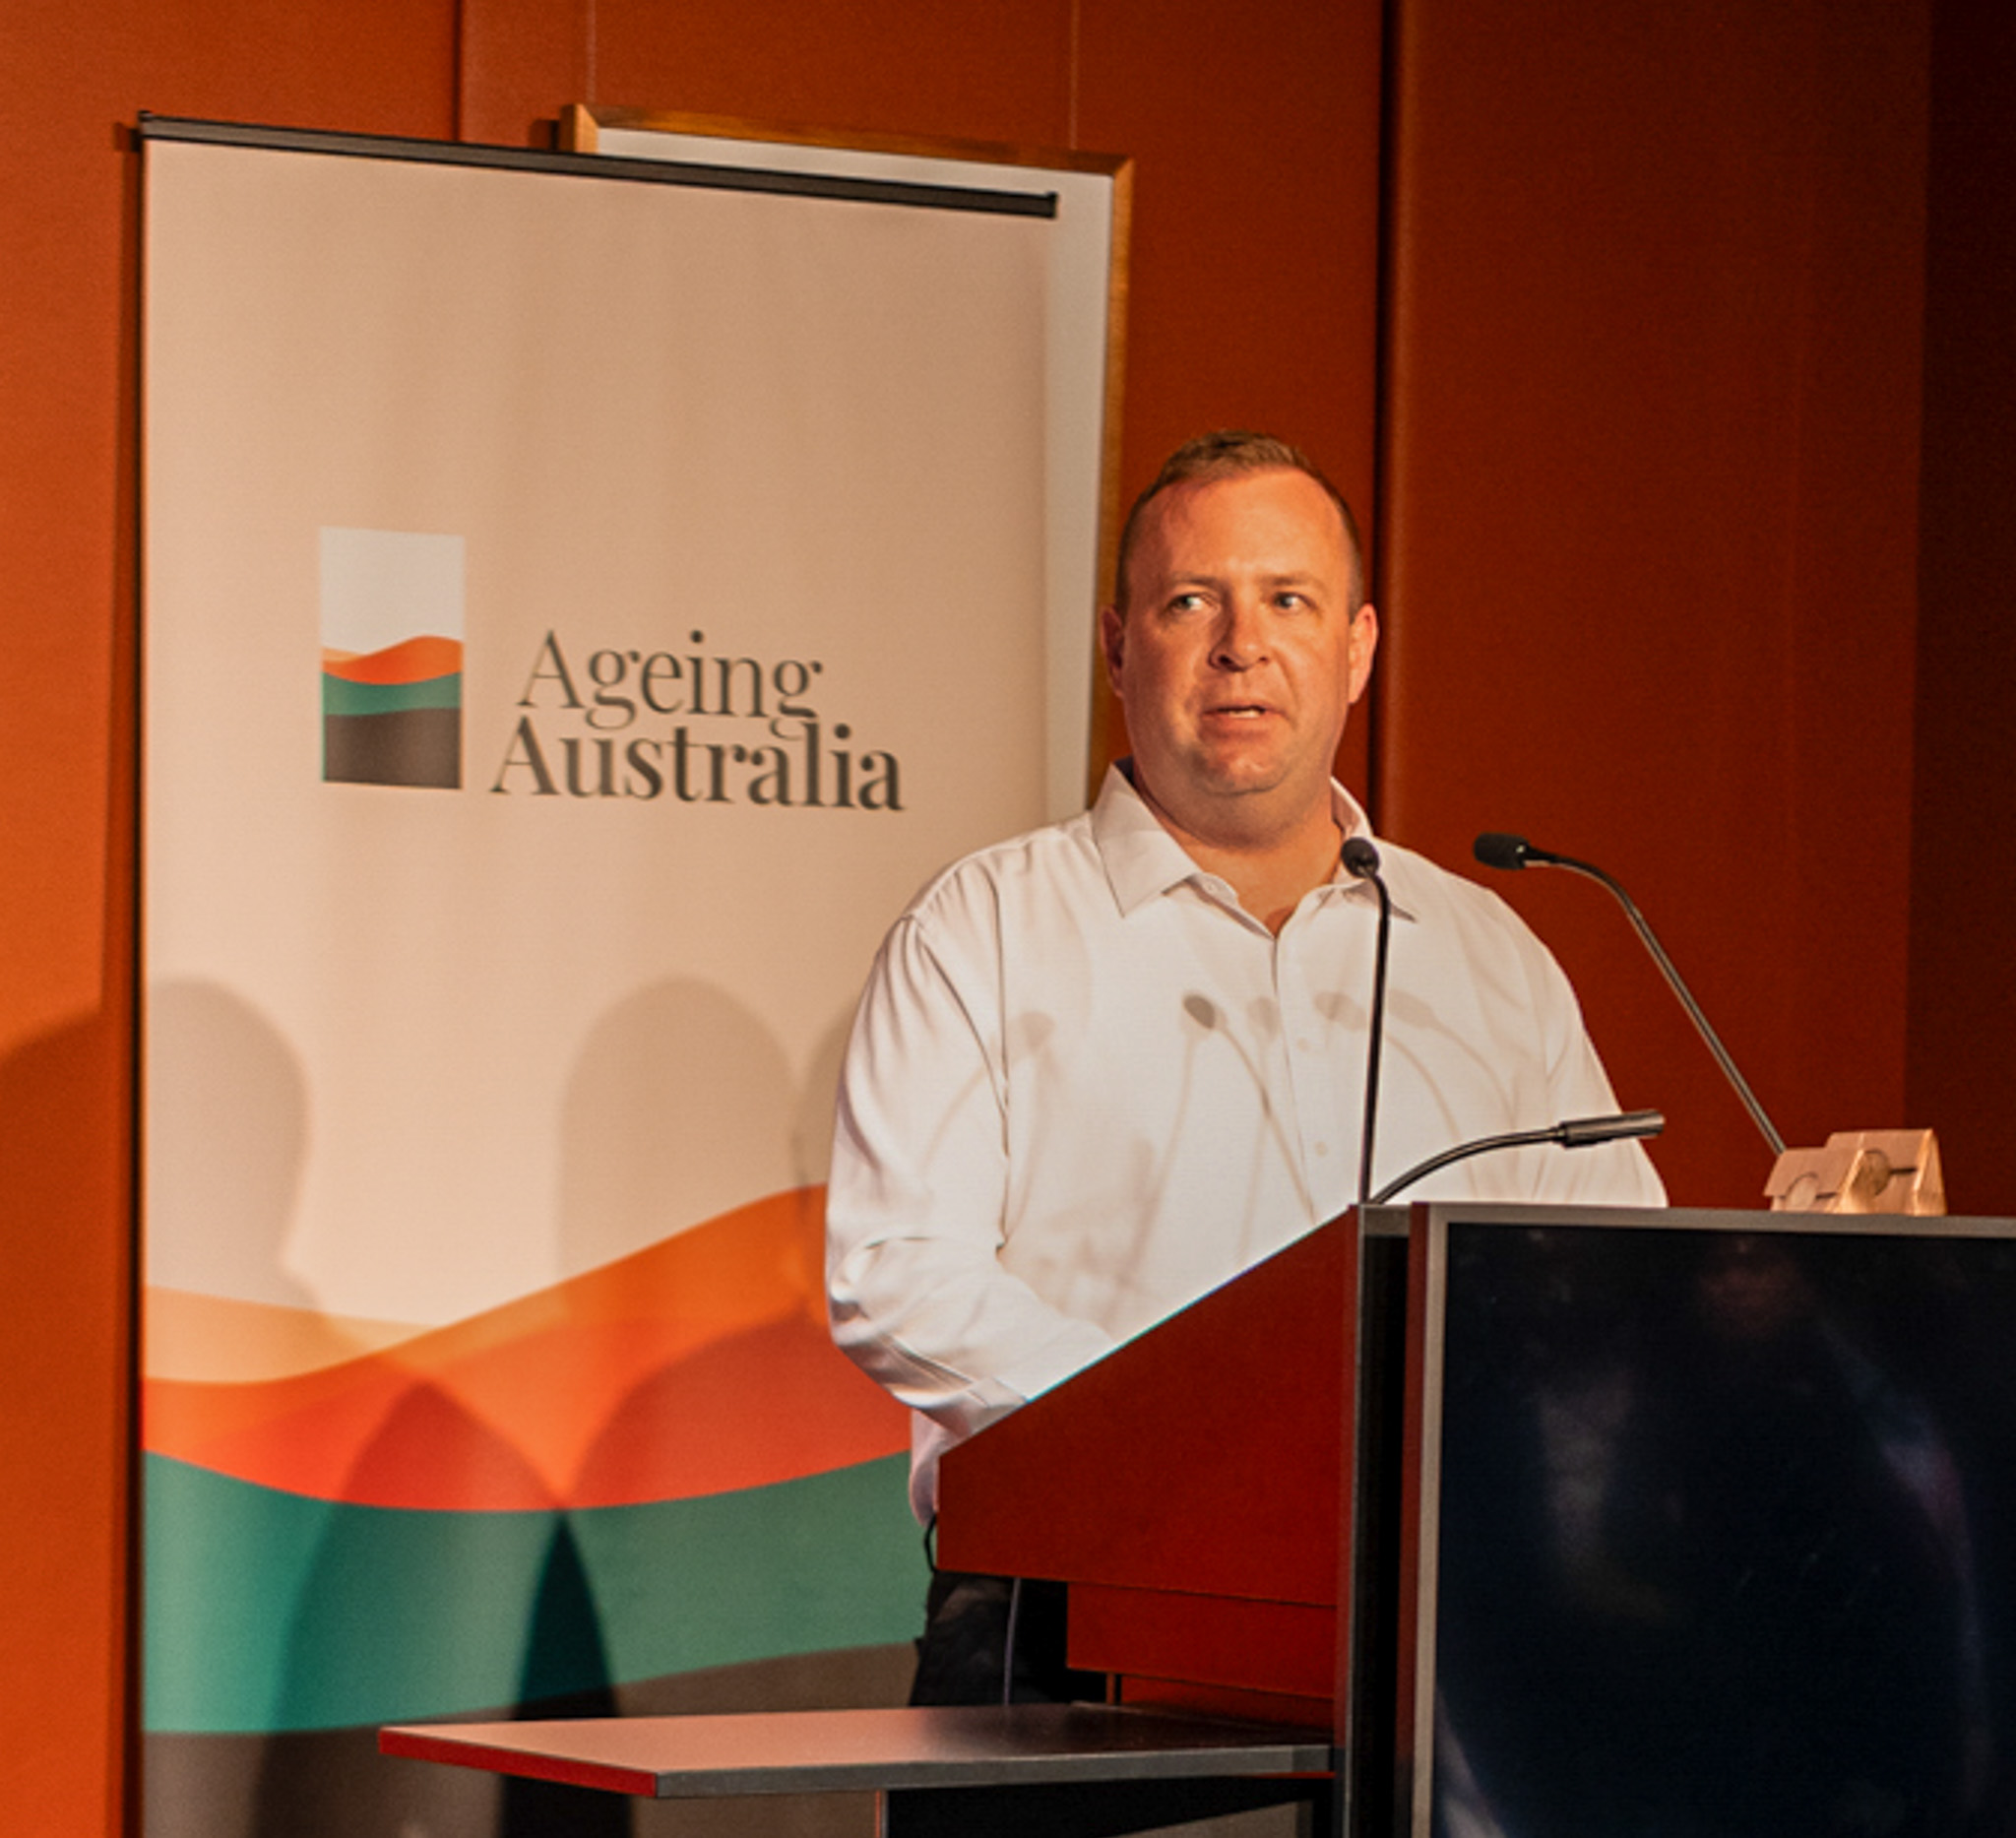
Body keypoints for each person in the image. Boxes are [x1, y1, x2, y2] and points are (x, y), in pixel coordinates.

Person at [826, 430, 1665, 1706]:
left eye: (1288, 600)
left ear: (1358, 649)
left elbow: (1611, 1275)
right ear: (1118, 649)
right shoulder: (983, 930)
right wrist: (1200, 1432)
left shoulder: (1485, 953)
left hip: (1445, 1618)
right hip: (1076, 1618)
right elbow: (896, 1272)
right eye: (1190, 602)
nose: (1240, 646)